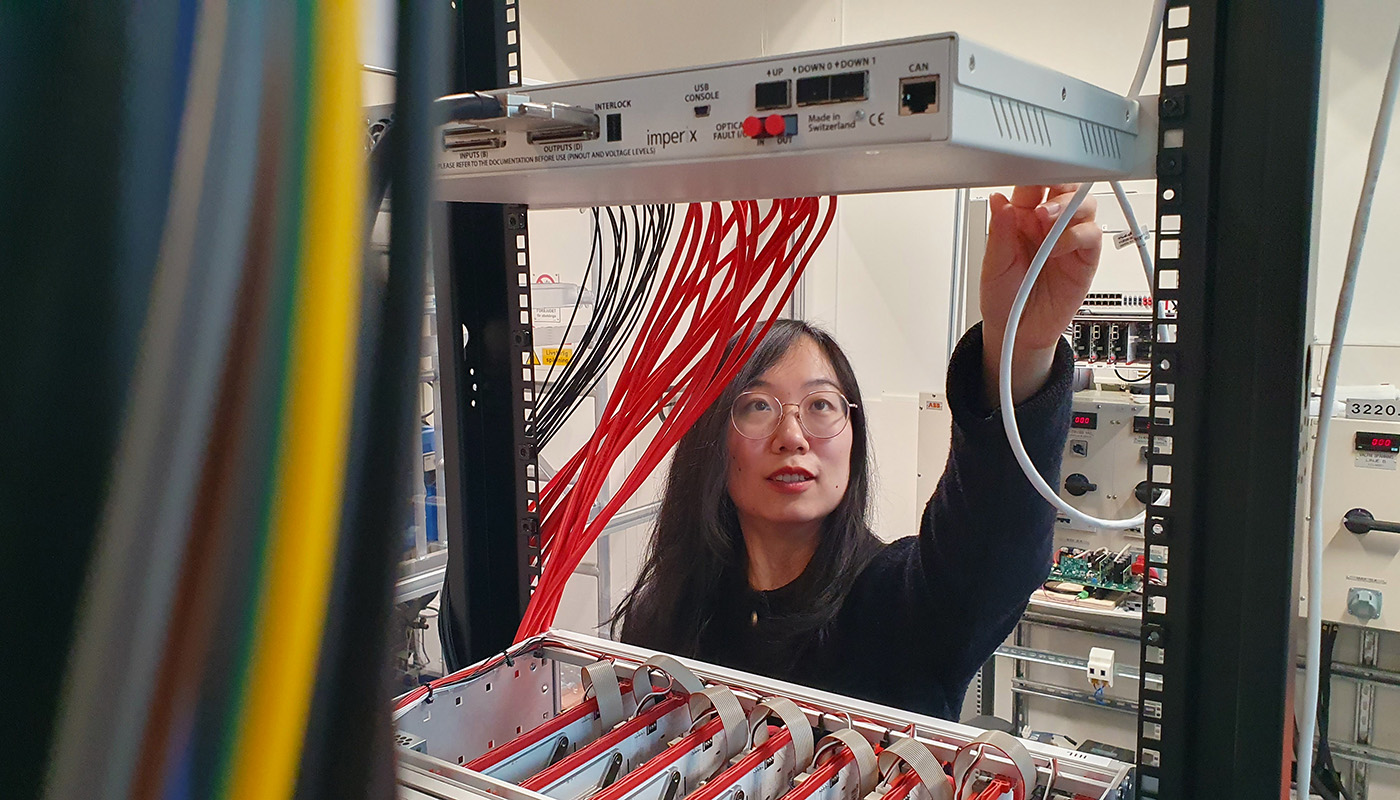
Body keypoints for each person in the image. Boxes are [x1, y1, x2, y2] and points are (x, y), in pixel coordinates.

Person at [614, 185, 1102, 720]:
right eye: (757, 406)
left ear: (854, 434)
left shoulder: (901, 603)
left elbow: (992, 545)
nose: (793, 436)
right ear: (711, 437)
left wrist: (1019, 347)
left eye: (821, 405)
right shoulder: (667, 613)